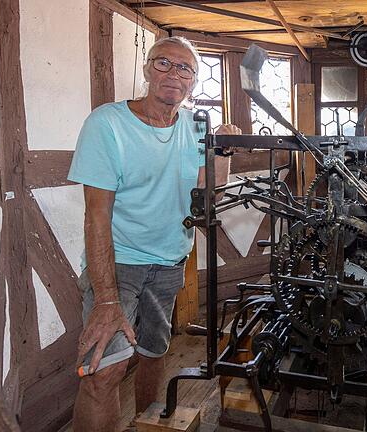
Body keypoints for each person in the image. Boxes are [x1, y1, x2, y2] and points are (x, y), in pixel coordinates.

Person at [67, 36, 240, 431]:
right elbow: (96, 217)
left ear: (194, 81)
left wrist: (221, 152)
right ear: (146, 69)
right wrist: (107, 299)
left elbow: (208, 197)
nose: (173, 74)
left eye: (185, 69)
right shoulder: (107, 123)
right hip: (118, 266)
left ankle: (146, 424)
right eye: (163, 63)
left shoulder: (197, 125)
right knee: (102, 373)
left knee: (153, 352)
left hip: (169, 263)